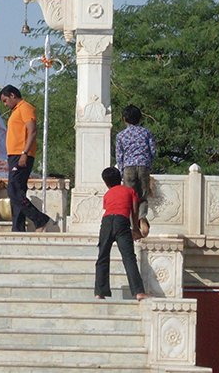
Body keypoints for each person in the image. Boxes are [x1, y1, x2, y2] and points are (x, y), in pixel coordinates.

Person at [0, 85, 53, 232]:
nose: (5, 105)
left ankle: (39, 218)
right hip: (13, 154)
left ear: (13, 95)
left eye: (5, 100)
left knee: (13, 191)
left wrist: (24, 152)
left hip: (21, 154)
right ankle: (18, 229)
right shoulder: (16, 111)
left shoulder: (26, 108)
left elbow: (33, 131)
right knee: (18, 192)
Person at [95, 167, 152, 301]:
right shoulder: (129, 190)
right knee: (128, 257)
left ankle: (99, 293)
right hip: (122, 221)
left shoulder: (107, 194)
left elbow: (108, 208)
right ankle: (139, 292)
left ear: (106, 183)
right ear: (120, 178)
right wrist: (136, 229)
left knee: (103, 256)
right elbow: (134, 210)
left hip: (107, 222)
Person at [114, 105, 157, 238]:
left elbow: (119, 156)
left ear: (124, 119)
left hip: (128, 168)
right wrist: (147, 164)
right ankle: (142, 218)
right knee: (143, 197)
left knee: (131, 198)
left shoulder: (121, 135)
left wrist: (121, 172)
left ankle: (134, 228)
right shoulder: (146, 132)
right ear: (140, 118)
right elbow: (153, 151)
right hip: (143, 166)